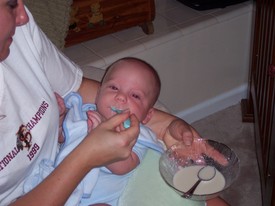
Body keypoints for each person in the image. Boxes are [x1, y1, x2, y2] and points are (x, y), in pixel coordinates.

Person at [0, 1, 229, 205]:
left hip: (98, 195)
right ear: (100, 93)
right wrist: (85, 147)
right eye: (114, 88)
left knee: (198, 194)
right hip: (47, 186)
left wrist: (170, 127)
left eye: (135, 96)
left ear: (148, 115)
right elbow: (72, 140)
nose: (24, 17)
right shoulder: (84, 112)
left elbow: (122, 164)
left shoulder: (136, 133)